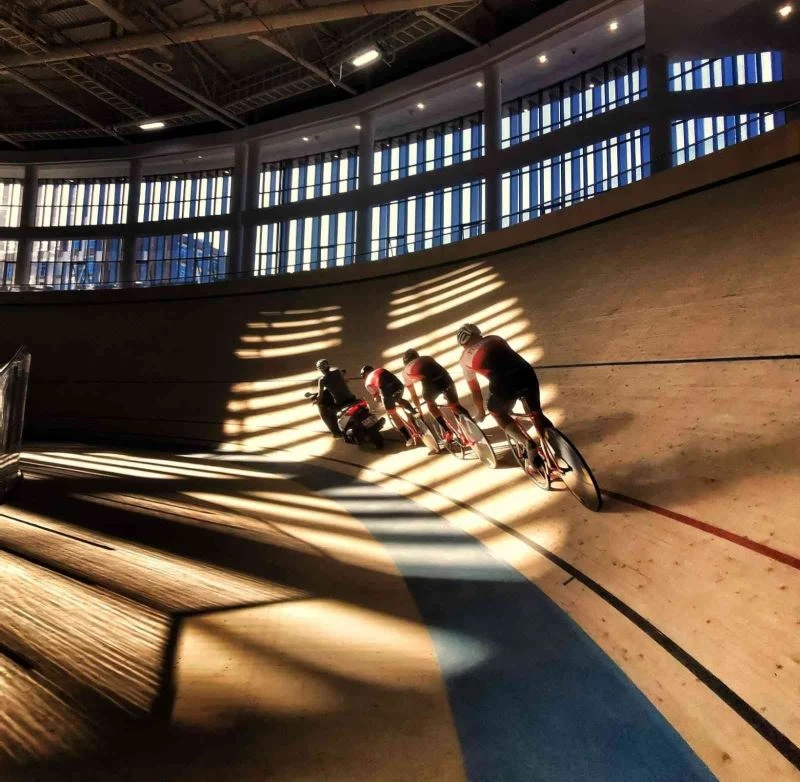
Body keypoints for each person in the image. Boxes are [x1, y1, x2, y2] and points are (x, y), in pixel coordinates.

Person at [456, 323, 552, 466]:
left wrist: (481, 411)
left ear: (463, 345)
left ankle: (527, 443)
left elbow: (475, 391)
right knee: (535, 413)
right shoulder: (495, 338)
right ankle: (553, 442)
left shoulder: (464, 359)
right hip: (526, 372)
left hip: (503, 384)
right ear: (478, 334)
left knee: (496, 411)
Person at [401, 348, 470, 443]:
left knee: (430, 404)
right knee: (454, 405)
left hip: (430, 385)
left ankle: (448, 431)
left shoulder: (405, 372)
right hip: (445, 378)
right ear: (418, 356)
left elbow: (414, 395)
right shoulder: (427, 358)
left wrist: (419, 412)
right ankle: (471, 424)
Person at [360, 365, 416, 448]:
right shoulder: (380, 369)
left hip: (387, 392)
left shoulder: (367, 383)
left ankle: (408, 438)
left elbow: (376, 396)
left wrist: (378, 400)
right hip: (398, 386)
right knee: (399, 399)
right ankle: (414, 414)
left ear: (364, 376)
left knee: (392, 413)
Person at [315, 359, 356, 437]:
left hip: (340, 403)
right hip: (351, 398)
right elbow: (347, 380)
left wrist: (316, 402)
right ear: (329, 366)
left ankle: (337, 433)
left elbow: (320, 396)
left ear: (320, 369)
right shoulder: (338, 372)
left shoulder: (322, 380)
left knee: (330, 414)